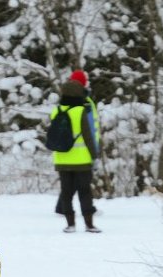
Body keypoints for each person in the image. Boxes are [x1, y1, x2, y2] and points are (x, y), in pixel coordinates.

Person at [51, 70, 101, 233]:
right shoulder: (81, 111)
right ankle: (89, 224)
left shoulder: (56, 110)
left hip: (62, 159)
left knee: (66, 192)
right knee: (84, 192)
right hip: (82, 160)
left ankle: (70, 224)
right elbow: (87, 136)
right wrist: (95, 155)